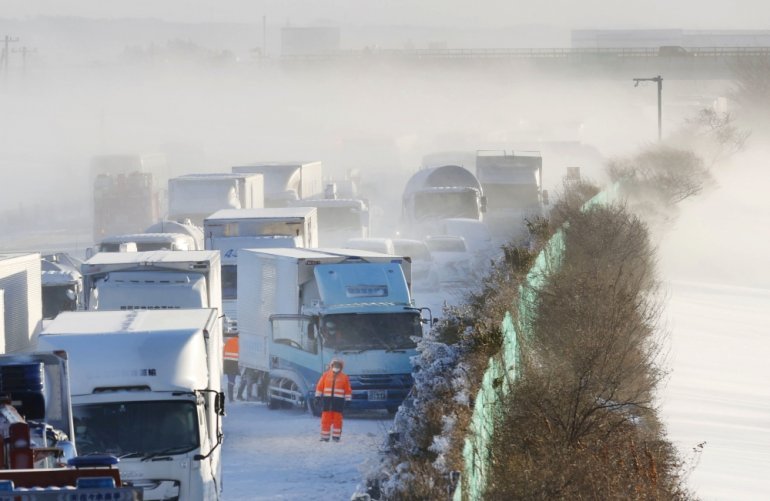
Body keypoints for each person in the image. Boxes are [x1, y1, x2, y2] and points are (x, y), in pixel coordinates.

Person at [314, 358, 352, 442]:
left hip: (338, 402)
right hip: (327, 401)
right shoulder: (325, 375)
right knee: (325, 419)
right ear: (332, 366)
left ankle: (336, 437)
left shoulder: (344, 377)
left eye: (338, 365)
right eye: (335, 365)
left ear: (341, 367)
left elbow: (348, 390)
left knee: (337, 420)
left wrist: (348, 400)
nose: (336, 367)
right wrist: (317, 397)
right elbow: (319, 387)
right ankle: (325, 437)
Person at [223, 334, 240, 402]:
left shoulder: (229, 341)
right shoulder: (240, 343)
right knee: (232, 382)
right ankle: (231, 398)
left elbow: (223, 353)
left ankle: (230, 398)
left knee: (230, 381)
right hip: (234, 364)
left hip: (227, 364)